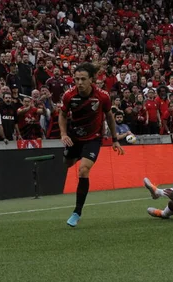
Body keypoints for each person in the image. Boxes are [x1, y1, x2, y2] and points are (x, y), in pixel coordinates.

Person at [59, 62, 124, 227]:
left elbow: (109, 116)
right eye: (77, 79)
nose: (79, 83)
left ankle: (77, 212)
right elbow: (62, 115)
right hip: (74, 138)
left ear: (91, 80)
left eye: (83, 79)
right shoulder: (69, 95)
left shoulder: (102, 96)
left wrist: (115, 139)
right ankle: (76, 155)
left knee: (83, 170)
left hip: (93, 138)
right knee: (67, 164)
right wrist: (64, 134)